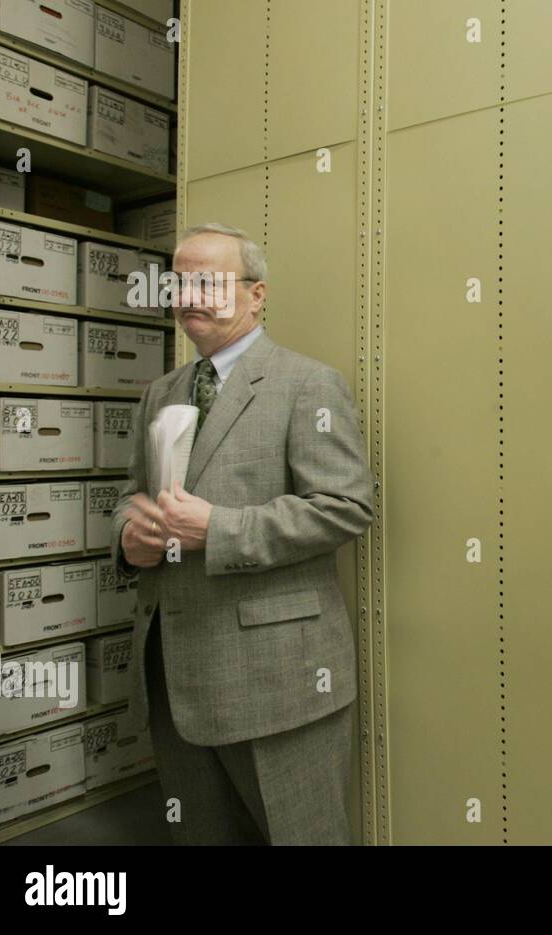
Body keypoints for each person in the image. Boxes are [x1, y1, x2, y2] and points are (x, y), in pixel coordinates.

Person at [112, 223, 374, 844]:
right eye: (179, 282)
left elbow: (344, 507)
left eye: (209, 281)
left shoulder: (306, 384)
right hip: (174, 675)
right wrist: (129, 538)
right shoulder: (161, 393)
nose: (190, 296)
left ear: (256, 295)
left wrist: (219, 530)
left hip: (277, 682)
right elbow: (131, 497)